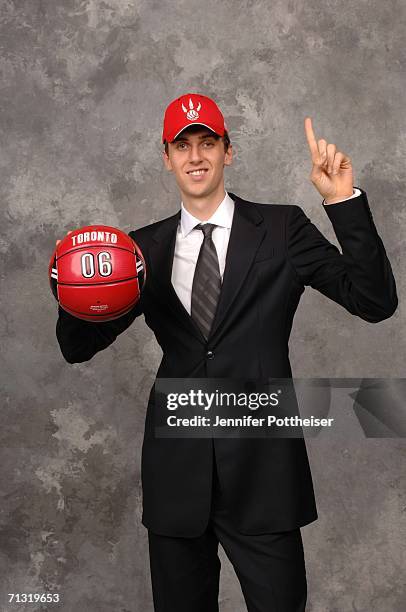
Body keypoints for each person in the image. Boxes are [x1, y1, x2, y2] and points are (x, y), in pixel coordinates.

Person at [55, 93, 398, 612]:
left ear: (228, 152)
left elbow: (375, 302)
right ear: (166, 157)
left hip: (264, 476)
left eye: (207, 143)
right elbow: (76, 348)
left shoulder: (282, 230)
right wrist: (72, 283)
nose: (196, 156)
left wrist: (342, 202)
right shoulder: (138, 251)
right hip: (176, 478)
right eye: (183, 145)